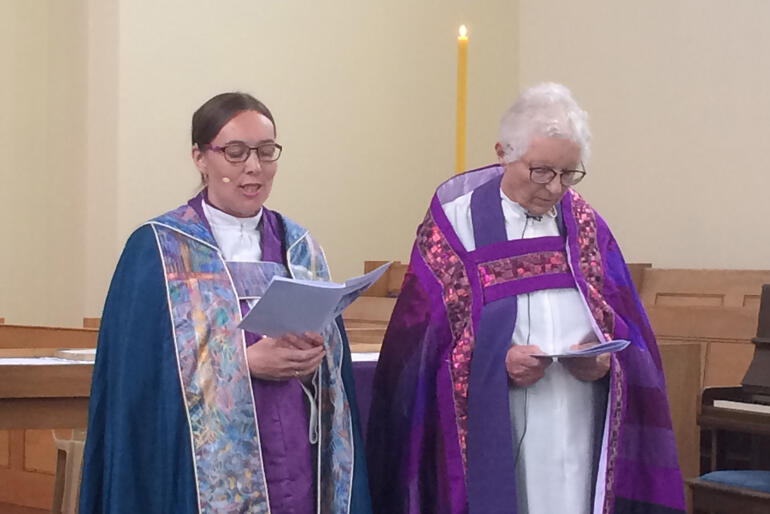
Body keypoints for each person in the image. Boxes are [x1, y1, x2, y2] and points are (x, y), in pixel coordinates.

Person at [367, 83, 685, 514]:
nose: (555, 188)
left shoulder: (586, 224)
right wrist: (492, 363)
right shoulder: (455, 226)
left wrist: (607, 361)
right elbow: (419, 344)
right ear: (503, 152)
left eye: (568, 174)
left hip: (579, 415)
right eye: (541, 172)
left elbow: (625, 323)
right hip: (496, 418)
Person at [79, 92, 372, 514]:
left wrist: (313, 359)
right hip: (195, 465)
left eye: (266, 152)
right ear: (200, 158)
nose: (254, 166)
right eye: (235, 152)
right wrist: (242, 363)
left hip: (295, 448)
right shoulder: (159, 249)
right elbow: (137, 380)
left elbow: (333, 370)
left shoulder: (300, 247)